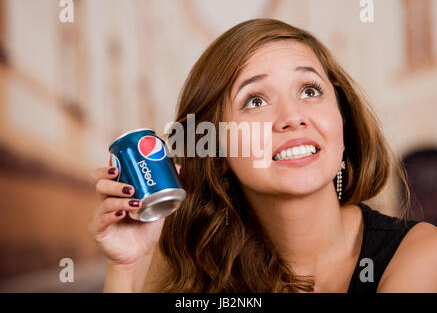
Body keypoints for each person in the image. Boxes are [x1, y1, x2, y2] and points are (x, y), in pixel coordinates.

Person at [88, 19, 437, 293]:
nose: (292, 117)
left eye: (309, 90)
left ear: (342, 123)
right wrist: (129, 267)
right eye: (255, 101)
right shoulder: (182, 264)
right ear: (216, 151)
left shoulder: (421, 255)